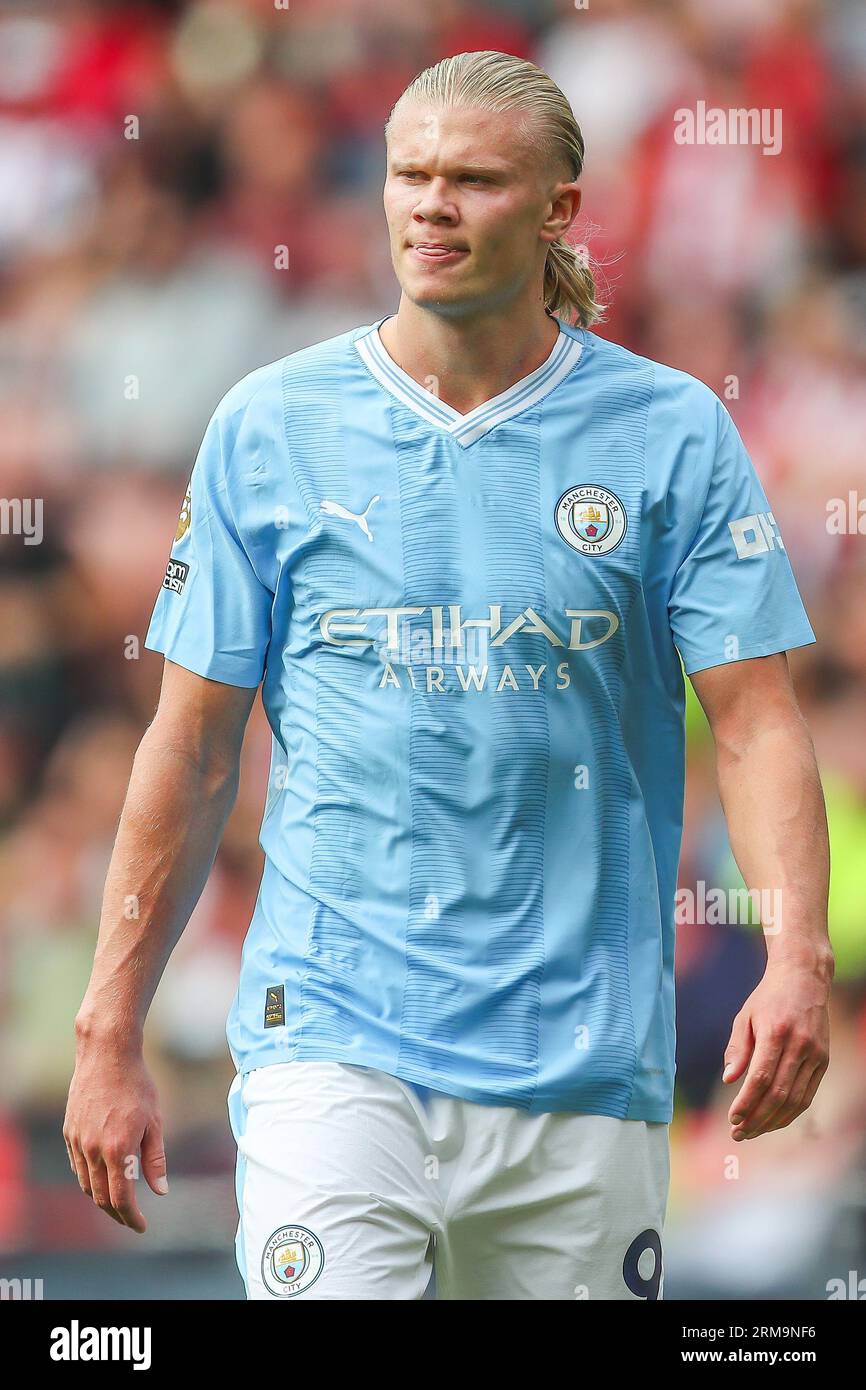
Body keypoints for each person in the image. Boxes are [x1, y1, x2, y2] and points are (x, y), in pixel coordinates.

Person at [64, 50, 832, 1301]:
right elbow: (191, 746)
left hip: (581, 1057)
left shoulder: (670, 431)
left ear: (556, 210)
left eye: (472, 180)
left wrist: (793, 954)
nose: (430, 204)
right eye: (408, 175)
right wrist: (110, 1023)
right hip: (329, 1042)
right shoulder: (269, 427)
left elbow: (750, 722)